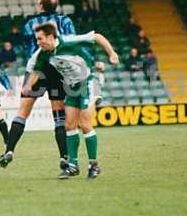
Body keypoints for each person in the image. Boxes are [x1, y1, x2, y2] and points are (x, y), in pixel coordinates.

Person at [25, 23, 119, 179]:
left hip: (88, 82)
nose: (38, 42)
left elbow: (96, 36)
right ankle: (73, 166)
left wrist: (112, 53)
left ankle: (93, 165)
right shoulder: (43, 53)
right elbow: (36, 71)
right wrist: (28, 86)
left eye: (39, 39)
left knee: (84, 123)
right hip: (71, 88)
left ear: (50, 36)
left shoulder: (69, 41)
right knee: (69, 125)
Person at [0, 0, 76, 175]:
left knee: (22, 113)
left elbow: (28, 47)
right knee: (59, 116)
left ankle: (9, 150)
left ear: (40, 6)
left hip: (36, 70)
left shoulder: (30, 24)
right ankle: (64, 157)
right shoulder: (65, 21)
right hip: (58, 69)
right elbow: (71, 44)